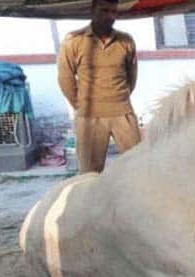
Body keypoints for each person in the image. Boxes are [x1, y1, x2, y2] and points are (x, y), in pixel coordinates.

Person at [58, 0, 141, 173]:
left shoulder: (126, 41)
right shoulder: (74, 40)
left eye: (113, 11)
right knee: (90, 173)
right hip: (90, 116)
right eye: (104, 10)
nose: (110, 16)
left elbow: (131, 77)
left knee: (138, 166)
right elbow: (65, 79)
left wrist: (120, 96)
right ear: (92, 10)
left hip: (123, 113)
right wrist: (81, 105)